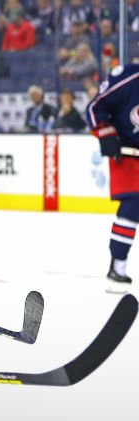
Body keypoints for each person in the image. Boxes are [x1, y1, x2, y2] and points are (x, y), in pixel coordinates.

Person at [87, 64, 139, 293]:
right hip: (128, 156)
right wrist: (105, 132)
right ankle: (117, 267)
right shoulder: (127, 77)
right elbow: (95, 107)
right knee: (133, 206)